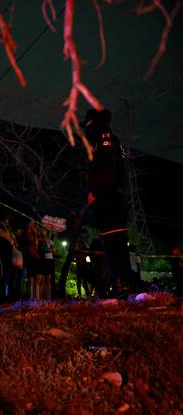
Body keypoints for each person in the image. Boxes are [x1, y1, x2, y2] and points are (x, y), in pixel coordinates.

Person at [81, 108, 132, 296]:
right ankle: (120, 285)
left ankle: (122, 286)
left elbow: (106, 169)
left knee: (114, 244)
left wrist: (96, 192)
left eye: (87, 124)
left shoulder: (105, 139)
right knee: (113, 243)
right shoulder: (109, 139)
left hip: (109, 199)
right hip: (112, 198)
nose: (86, 129)